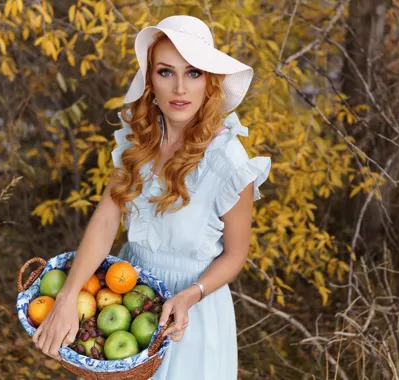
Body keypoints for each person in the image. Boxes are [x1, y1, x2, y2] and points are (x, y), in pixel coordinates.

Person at [32, 15, 271, 379]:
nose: (179, 88)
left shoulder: (230, 163)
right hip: (128, 294)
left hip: (192, 310)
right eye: (165, 72)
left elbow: (236, 253)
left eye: (193, 73)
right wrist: (67, 296)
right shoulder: (138, 139)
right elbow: (106, 219)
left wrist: (191, 294)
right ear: (149, 80)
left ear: (209, 82)